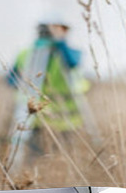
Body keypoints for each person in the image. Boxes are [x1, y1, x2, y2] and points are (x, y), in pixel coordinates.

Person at [7, 19, 90, 162]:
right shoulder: (27, 53)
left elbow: (73, 63)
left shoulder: (71, 53)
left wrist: (61, 46)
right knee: (36, 158)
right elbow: (10, 79)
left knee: (64, 159)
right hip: (36, 119)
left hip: (65, 119)